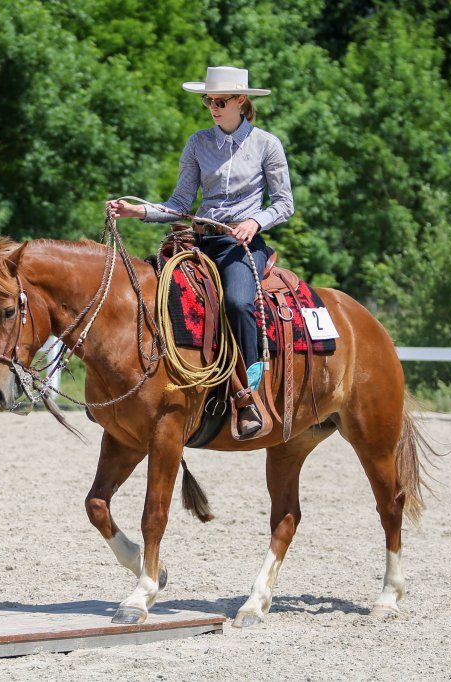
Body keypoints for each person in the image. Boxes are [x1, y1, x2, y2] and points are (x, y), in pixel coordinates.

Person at [107, 65, 294, 436]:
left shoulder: (266, 144)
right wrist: (138, 210)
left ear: (241, 101)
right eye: (209, 100)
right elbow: (180, 202)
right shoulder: (197, 143)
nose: (212, 106)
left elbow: (284, 204)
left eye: (220, 100)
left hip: (240, 245)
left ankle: (250, 390)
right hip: (198, 240)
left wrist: (254, 222)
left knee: (238, 302)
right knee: (149, 297)